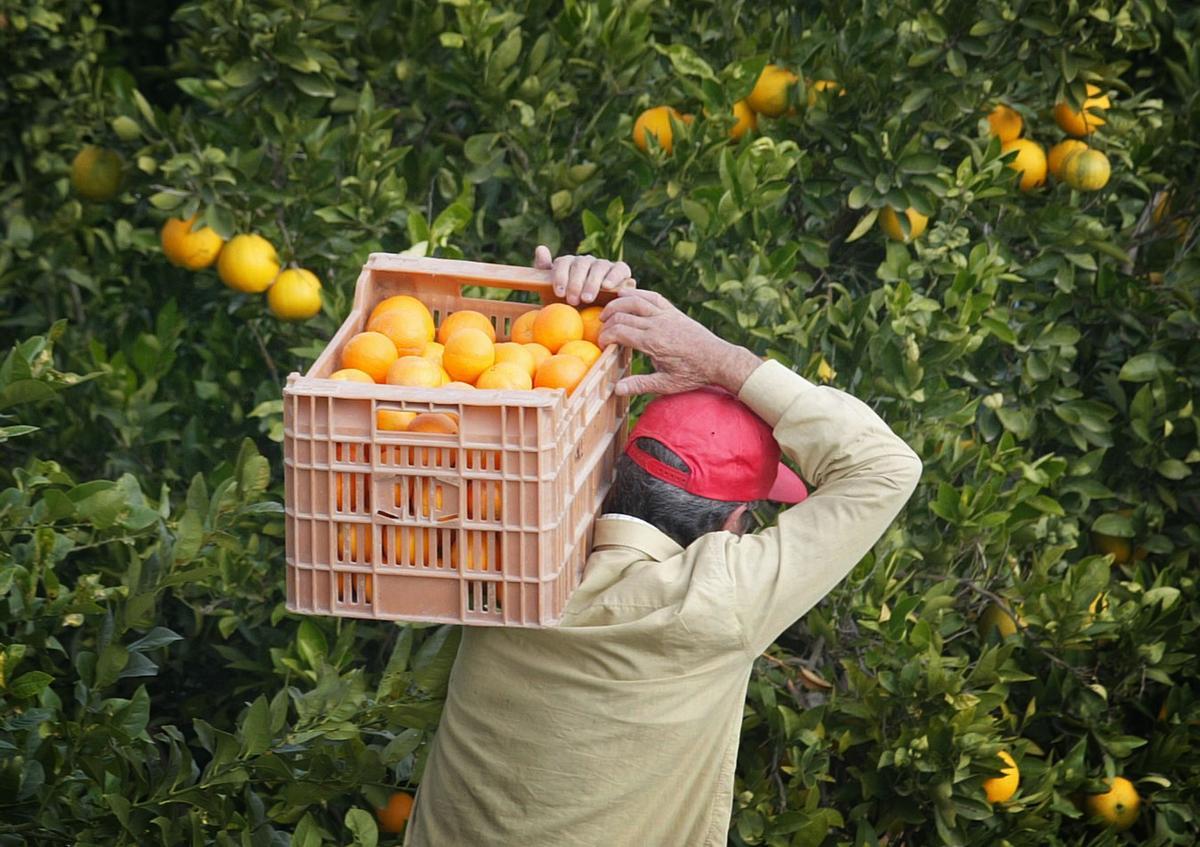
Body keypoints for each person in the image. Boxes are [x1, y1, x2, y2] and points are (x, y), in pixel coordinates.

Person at [404, 248, 923, 846]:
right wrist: (722, 360)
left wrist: (577, 307)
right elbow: (886, 467)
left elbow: (514, 388)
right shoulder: (718, 602)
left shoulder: (507, 546)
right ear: (734, 523)